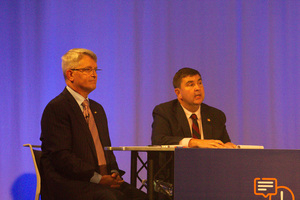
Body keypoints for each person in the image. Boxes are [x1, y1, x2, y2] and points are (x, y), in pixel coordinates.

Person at [40, 48, 147, 200]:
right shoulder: (57, 108)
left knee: (144, 197)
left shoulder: (97, 109)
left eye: (95, 70)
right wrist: (98, 178)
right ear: (70, 74)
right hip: (69, 183)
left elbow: (106, 150)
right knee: (111, 198)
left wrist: (114, 171)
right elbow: (61, 157)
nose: (94, 74)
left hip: (100, 180)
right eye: (87, 69)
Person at [152, 67, 236, 148]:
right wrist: (193, 142)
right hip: (177, 162)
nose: (198, 88)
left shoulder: (216, 115)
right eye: (191, 85)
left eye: (200, 83)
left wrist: (228, 145)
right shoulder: (164, 111)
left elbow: (225, 142)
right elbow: (158, 140)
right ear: (178, 93)